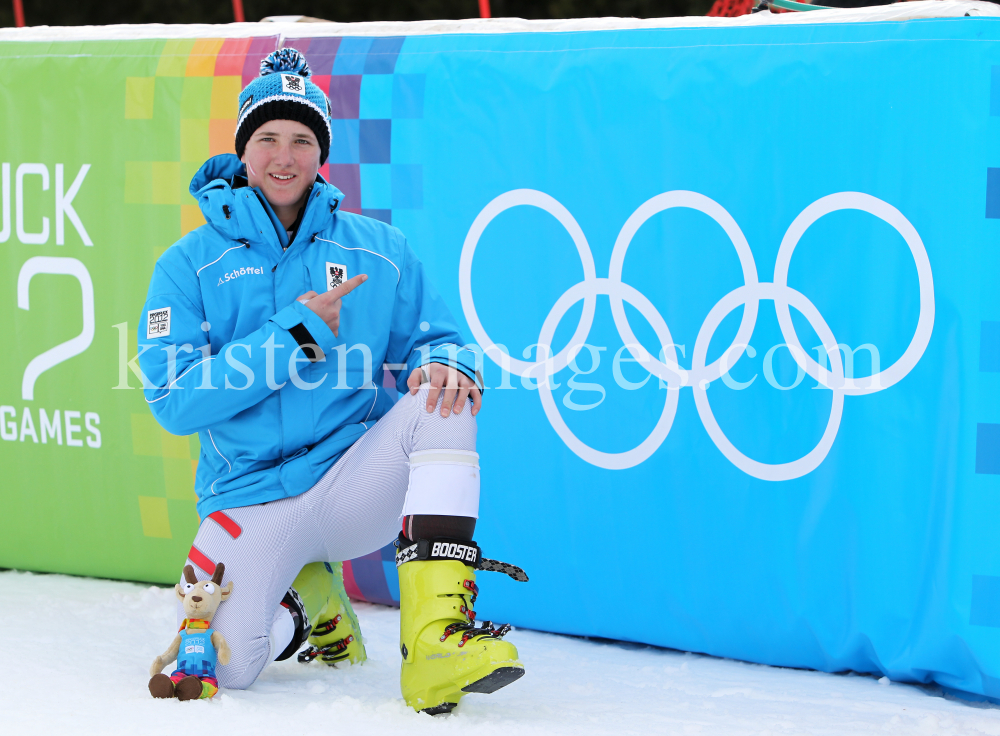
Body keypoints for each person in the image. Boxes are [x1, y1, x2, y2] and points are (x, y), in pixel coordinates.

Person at [138, 48, 525, 714]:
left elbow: (442, 340)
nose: (283, 156)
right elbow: (175, 400)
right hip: (250, 498)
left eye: (300, 140)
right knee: (223, 669)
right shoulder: (187, 265)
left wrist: (450, 361)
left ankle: (436, 643)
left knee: (447, 399)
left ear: (322, 155)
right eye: (267, 139)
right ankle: (307, 603)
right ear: (243, 150)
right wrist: (293, 335)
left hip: (352, 484)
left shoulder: (377, 249)